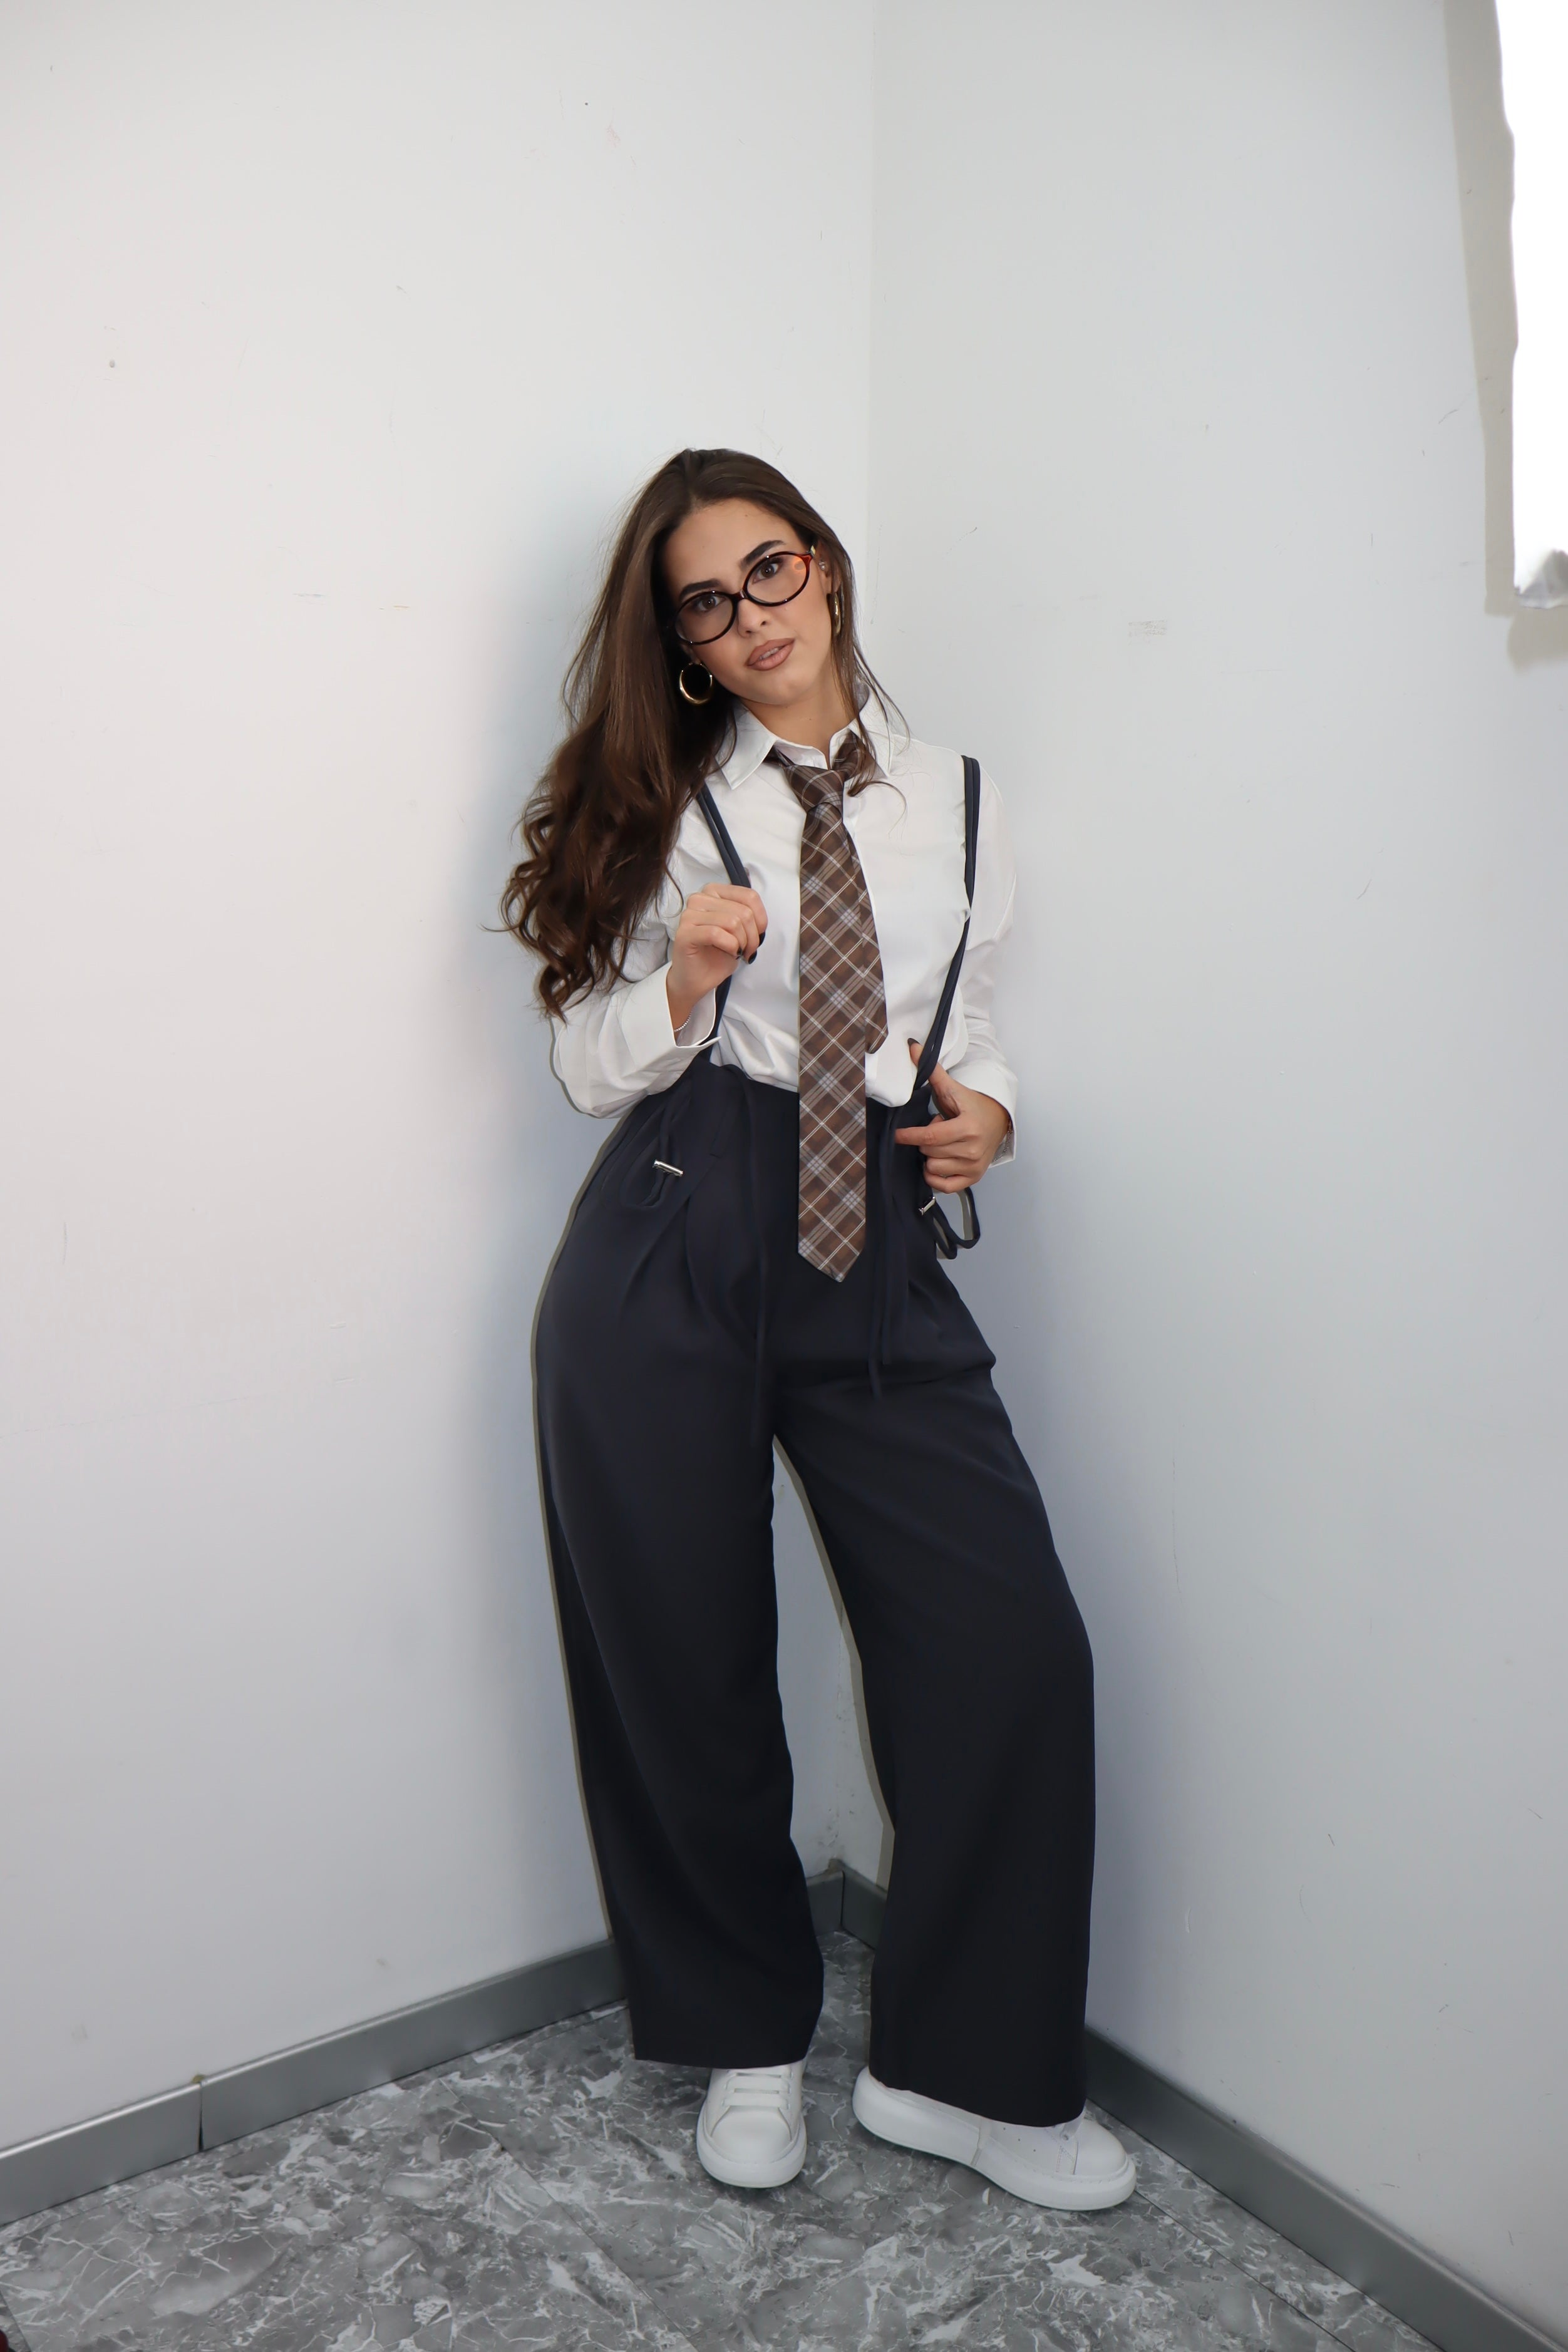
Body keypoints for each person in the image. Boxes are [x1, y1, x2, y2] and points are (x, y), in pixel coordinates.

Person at [502, 448, 1134, 2210]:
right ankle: (748, 2036)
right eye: (706, 603)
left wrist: (988, 1112)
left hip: (877, 1244)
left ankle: (965, 2072)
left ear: (826, 566)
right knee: (687, 1659)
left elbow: (963, 1020)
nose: (751, 617)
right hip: (680, 1227)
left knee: (1011, 1650)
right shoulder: (668, 798)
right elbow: (584, 1061)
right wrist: (684, 980)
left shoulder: (961, 797)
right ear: (685, 645)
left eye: (768, 570)